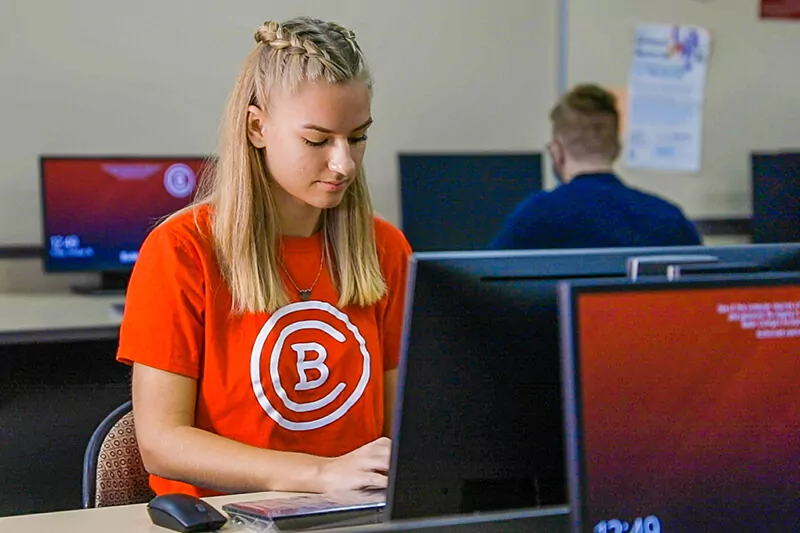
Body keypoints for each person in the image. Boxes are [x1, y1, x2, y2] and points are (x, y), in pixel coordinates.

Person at [117, 16, 412, 498]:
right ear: (257, 128)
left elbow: (403, 423)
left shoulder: (386, 249)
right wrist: (318, 476)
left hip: (354, 513)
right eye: (317, 140)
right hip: (228, 516)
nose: (344, 164)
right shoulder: (182, 250)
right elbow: (161, 443)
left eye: (357, 137)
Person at [490, 84, 702, 250]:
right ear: (617, 148)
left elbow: (489, 283)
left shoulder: (535, 216)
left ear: (557, 153)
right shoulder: (669, 219)